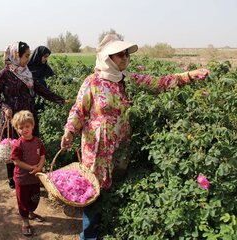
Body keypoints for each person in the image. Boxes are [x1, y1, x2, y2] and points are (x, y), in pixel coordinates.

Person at [60, 34, 210, 240]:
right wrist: (69, 131)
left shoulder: (128, 80)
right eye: (119, 55)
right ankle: (88, 237)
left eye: (126, 55)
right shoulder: (93, 82)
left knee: (116, 191)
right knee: (93, 193)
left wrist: (190, 75)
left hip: (121, 147)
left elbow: (161, 83)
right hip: (96, 149)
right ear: (107, 58)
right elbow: (79, 110)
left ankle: (111, 231)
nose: (125, 58)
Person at [0, 41, 66, 189]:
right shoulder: (4, 74)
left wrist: (61, 100)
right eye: (25, 56)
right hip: (13, 119)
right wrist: (5, 107)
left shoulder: (27, 72)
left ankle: (33, 175)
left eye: (28, 56)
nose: (27, 59)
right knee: (13, 148)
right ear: (15, 56)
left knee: (31, 147)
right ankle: (14, 179)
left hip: (28, 117)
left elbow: (41, 90)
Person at [10, 110, 45, 236]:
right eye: (21, 128)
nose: (24, 129)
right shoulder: (18, 144)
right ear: (17, 129)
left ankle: (31, 212)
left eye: (27, 126)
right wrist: (31, 167)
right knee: (23, 200)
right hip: (22, 178)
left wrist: (40, 167)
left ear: (32, 126)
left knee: (34, 197)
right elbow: (16, 161)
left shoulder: (38, 142)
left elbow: (42, 155)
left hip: (35, 177)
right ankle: (25, 221)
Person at [28, 46, 55, 114]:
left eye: (47, 57)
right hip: (31, 102)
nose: (46, 59)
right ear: (38, 55)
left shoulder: (46, 68)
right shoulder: (27, 68)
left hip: (44, 101)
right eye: (45, 56)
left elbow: (55, 78)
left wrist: (70, 79)